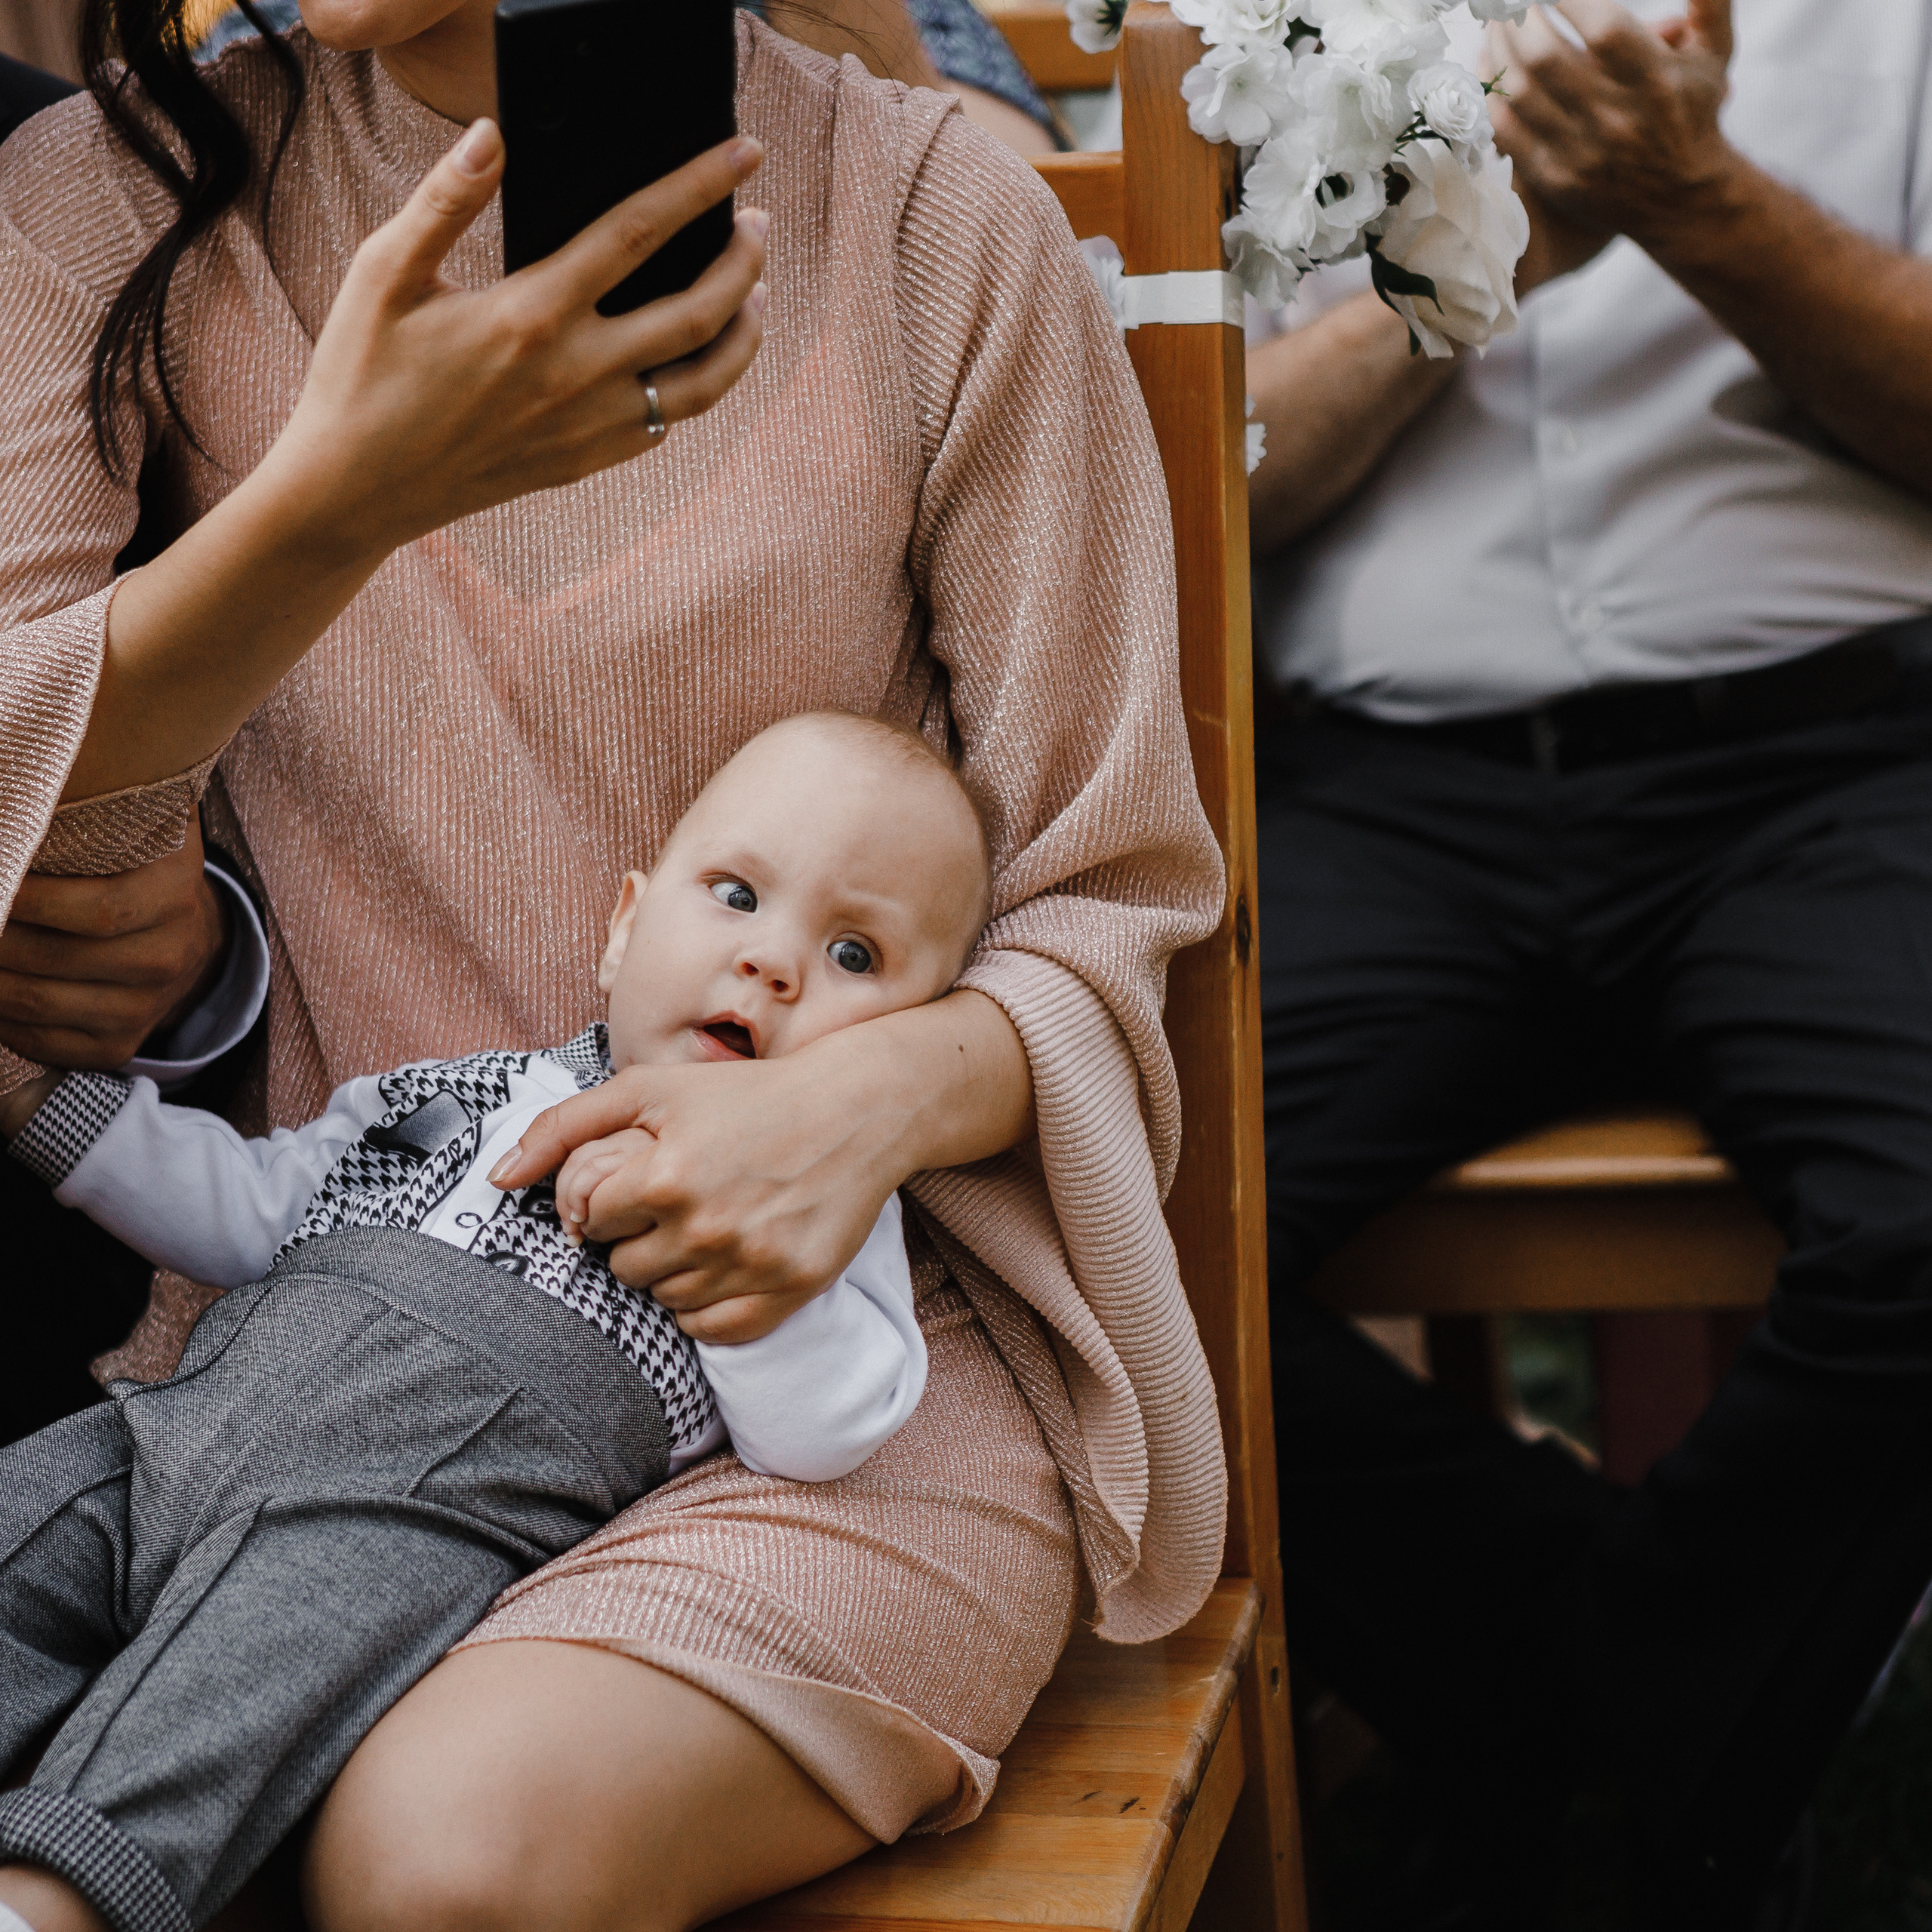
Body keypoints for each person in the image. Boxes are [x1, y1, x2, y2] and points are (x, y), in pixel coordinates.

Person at [0, 0, 1226, 1927]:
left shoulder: (927, 213)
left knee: (439, 1867)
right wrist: (339, 503)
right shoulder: (108, 197)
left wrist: (845, 1110)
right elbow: (31, 855)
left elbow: (1110, 891)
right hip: (318, 1349)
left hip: (842, 1391)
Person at [1245, 0, 1932, 1924]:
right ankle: (1664, 1734)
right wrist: (1471, 268)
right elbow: (1182, 486)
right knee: (1108, 1228)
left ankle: (1567, 1762)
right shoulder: (1264, 29)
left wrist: (1698, 207)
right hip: (1381, 788)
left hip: (1826, 760)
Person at [0, 712, 997, 1932]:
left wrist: (749, 1284)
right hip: (170, 1431)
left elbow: (835, 1422)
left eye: (856, 958)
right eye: (735, 895)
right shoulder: (458, 1089)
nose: (774, 963)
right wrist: (47, 1114)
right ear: (628, 925)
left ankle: (53, 1904)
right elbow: (251, 1209)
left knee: (243, 1675)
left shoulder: (812, 1218)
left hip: (405, 1509)